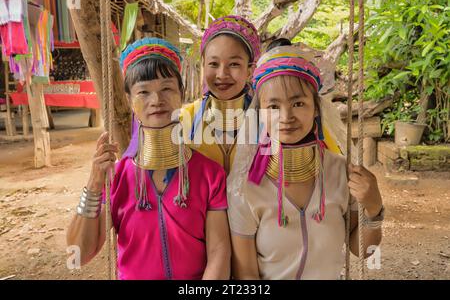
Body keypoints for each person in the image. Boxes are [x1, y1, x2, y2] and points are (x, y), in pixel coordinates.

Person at [67, 38, 230, 280]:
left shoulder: (210, 174)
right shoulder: (117, 177)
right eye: (143, 91)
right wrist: (94, 185)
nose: (156, 100)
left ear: (181, 94)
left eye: (167, 88)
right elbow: (78, 257)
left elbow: (218, 251)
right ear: (130, 101)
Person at [227, 45, 384, 280]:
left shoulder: (341, 172)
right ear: (260, 113)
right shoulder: (244, 187)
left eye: (298, 103)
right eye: (273, 106)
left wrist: (374, 209)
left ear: (316, 110)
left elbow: (362, 252)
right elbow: (246, 275)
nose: (286, 117)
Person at [182, 15, 261, 174]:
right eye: (213, 64)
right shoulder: (183, 119)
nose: (222, 74)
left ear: (250, 70)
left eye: (234, 64)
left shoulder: (267, 122)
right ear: (203, 65)